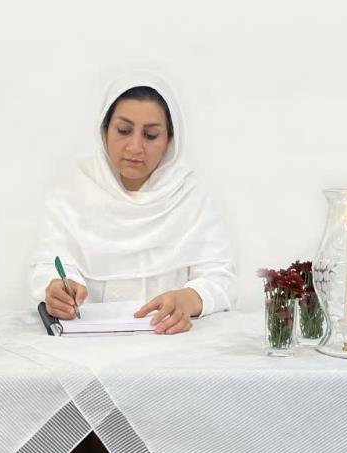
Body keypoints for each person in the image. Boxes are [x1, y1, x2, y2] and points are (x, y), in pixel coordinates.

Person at [30, 71, 236, 335]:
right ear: (104, 131)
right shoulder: (72, 191)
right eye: (124, 131)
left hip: (171, 345)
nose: (135, 147)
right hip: (87, 346)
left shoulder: (191, 196)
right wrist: (59, 289)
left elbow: (221, 279)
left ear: (170, 141)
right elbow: (50, 264)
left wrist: (187, 299)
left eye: (151, 135)